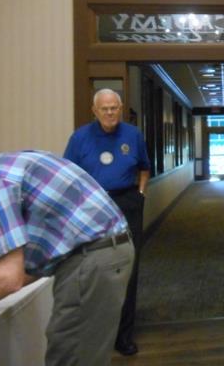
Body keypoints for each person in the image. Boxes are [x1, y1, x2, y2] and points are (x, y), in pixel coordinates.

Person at [0, 150, 134, 365]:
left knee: (70, 356)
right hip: (107, 251)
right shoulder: (1, 168)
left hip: (92, 257)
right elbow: (23, 269)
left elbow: (8, 278)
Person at [63, 88, 150, 356]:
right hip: (93, 206)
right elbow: (67, 175)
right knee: (94, 268)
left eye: (114, 108)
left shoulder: (133, 135)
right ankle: (98, 333)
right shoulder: (79, 138)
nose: (110, 112)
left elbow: (144, 168)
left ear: (121, 108)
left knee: (128, 267)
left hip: (127, 202)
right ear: (95, 110)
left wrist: (140, 194)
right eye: (105, 108)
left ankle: (124, 336)